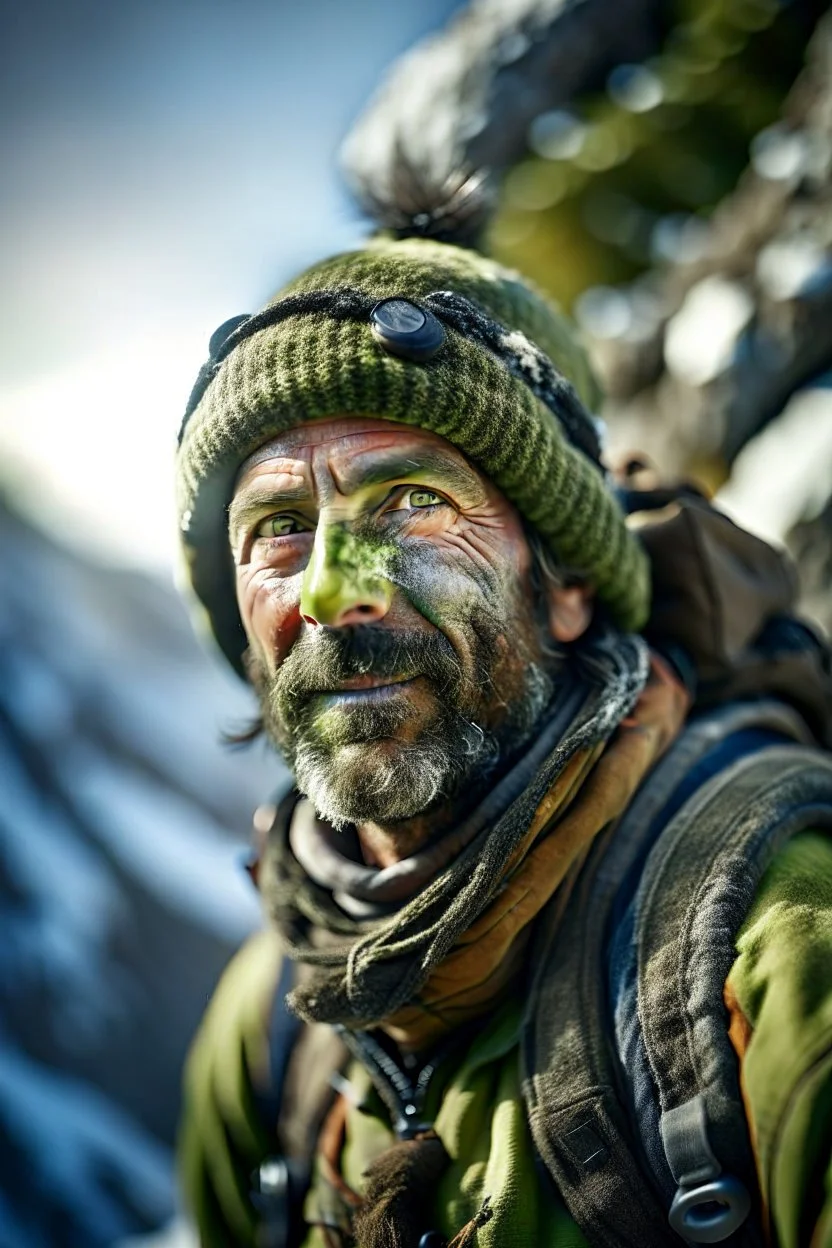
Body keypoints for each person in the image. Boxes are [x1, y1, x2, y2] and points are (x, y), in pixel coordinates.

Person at [174, 196, 832, 1244]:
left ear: (567, 581)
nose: (338, 590)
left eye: (409, 502)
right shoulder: (267, 1029)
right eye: (281, 528)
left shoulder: (773, 945)